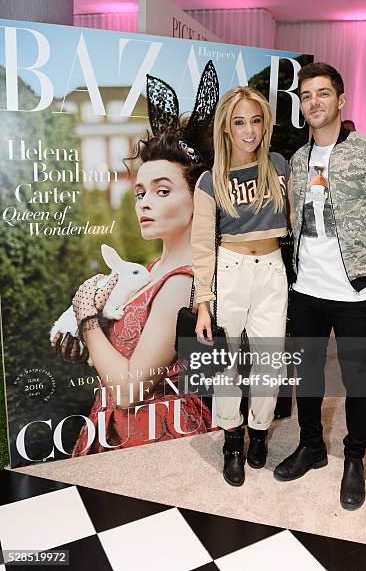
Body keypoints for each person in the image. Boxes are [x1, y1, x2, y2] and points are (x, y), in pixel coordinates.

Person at [273, 63, 366, 510]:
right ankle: (312, 446)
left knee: (356, 376)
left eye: (322, 94)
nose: (313, 102)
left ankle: (354, 458)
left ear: (341, 100)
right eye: (305, 96)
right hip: (306, 290)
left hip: (356, 292)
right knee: (310, 375)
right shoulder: (298, 160)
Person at [53, 132, 214, 454]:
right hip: (116, 421)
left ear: (199, 200)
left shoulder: (182, 282)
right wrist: (88, 347)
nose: (145, 203)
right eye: (140, 193)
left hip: (152, 430)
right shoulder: (154, 269)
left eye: (163, 191)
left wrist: (87, 320)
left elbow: (129, 391)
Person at [191, 86, 289, 487]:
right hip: (228, 269)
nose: (249, 130)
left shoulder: (280, 166)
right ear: (226, 128)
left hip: (272, 269)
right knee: (227, 364)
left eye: (255, 120)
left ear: (265, 123)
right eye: (239, 122)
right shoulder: (209, 181)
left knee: (270, 361)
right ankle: (233, 439)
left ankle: (260, 432)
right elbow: (200, 246)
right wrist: (202, 302)